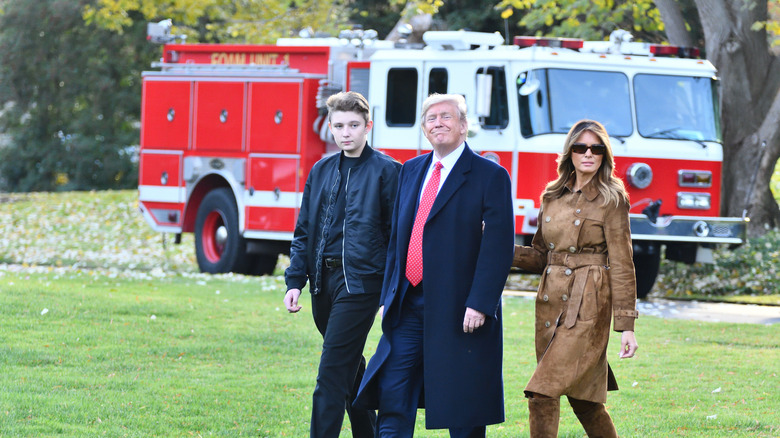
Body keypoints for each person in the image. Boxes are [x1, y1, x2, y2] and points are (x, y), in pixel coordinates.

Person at [353, 93, 515, 437]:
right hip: (408, 304)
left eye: (446, 117)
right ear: (424, 128)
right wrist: (388, 295)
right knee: (394, 392)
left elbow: (497, 246)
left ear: (464, 126)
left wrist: (480, 302)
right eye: (431, 118)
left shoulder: (490, 176)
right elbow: (399, 236)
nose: (438, 123)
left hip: (462, 309)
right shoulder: (411, 170)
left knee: (463, 402)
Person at [283, 91, 401, 438]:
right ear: (330, 128)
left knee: (331, 374)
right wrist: (294, 281)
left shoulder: (388, 171)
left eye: (353, 125)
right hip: (323, 283)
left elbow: (397, 236)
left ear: (368, 126)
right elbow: (304, 229)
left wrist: (390, 290)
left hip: (362, 284)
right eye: (338, 126)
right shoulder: (320, 170)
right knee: (348, 365)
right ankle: (370, 433)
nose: (345, 132)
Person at [512, 119, 639, 437]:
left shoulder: (612, 200)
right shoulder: (552, 196)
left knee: (542, 393)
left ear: (604, 155)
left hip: (588, 305)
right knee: (585, 402)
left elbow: (623, 265)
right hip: (550, 304)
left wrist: (626, 326)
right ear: (569, 152)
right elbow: (540, 256)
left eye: (596, 149)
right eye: (581, 147)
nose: (588, 154)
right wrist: (496, 247)